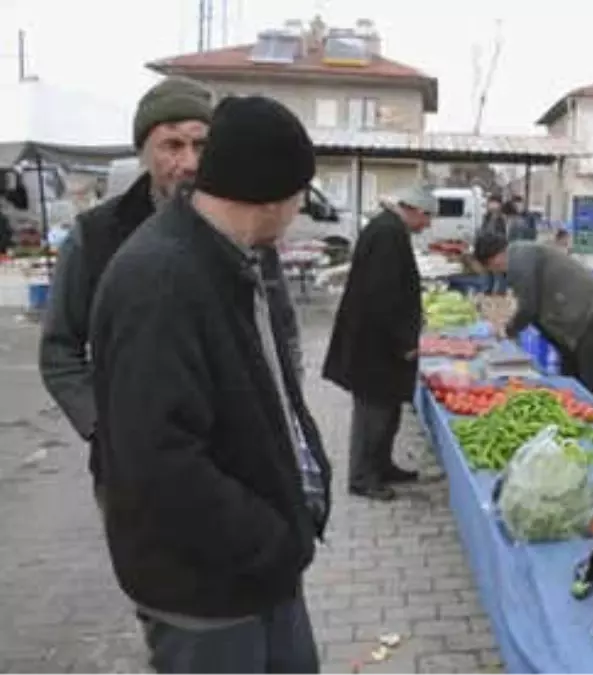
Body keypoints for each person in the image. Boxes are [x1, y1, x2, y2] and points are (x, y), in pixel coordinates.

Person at [89, 95, 329, 675]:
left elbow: (270, 392)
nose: (299, 208)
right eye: (299, 193)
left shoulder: (235, 257)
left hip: (259, 573)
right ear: (272, 196)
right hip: (208, 594)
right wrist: (272, 539)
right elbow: (161, 464)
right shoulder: (162, 280)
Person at [39, 79, 303, 503]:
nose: (188, 163)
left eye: (201, 145)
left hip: (239, 458)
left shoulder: (246, 229)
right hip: (138, 471)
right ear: (144, 152)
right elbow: (59, 351)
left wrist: (282, 405)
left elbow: (280, 327)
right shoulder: (98, 235)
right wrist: (105, 429)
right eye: (172, 145)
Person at [322, 186, 435, 502]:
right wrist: (403, 341)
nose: (427, 225)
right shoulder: (388, 233)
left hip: (379, 341)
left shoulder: (389, 228)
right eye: (427, 217)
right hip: (376, 344)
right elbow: (383, 294)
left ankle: (383, 466)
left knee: (388, 409)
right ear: (414, 209)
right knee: (374, 412)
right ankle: (362, 477)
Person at [473, 232, 593, 408]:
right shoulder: (519, 255)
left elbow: (529, 308)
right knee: (571, 385)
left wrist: (507, 331)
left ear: (494, 258)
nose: (496, 272)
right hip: (575, 323)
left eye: (492, 268)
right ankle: (576, 424)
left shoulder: (520, 259)